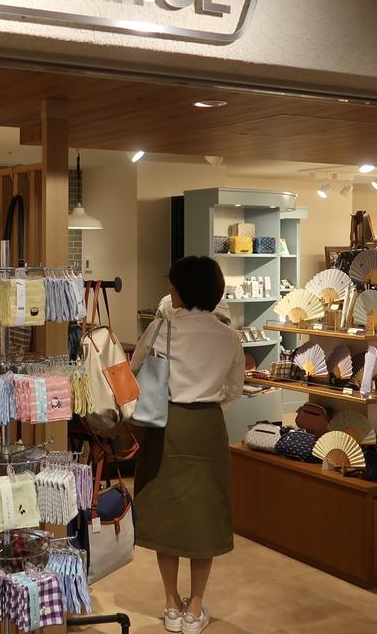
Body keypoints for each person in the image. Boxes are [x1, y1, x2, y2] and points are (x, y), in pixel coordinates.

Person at [132, 256, 244, 633]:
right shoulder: (229, 335)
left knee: (166, 512)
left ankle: (171, 603)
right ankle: (195, 608)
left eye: (173, 284)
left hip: (166, 424)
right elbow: (234, 390)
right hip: (208, 426)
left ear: (180, 290)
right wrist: (208, 402)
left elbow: (135, 369)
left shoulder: (161, 327)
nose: (170, 289)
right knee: (204, 517)